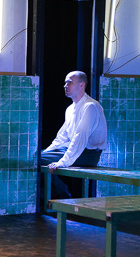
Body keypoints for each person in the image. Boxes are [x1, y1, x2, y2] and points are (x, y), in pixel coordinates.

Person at [40, 70, 107, 199]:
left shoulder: (90, 106)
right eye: (65, 83)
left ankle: (62, 194)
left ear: (82, 85)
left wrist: (62, 162)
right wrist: (46, 152)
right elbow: (62, 137)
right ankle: (60, 192)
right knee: (36, 157)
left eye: (70, 82)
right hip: (76, 150)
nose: (65, 86)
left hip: (89, 155)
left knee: (38, 159)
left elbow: (80, 138)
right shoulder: (70, 109)